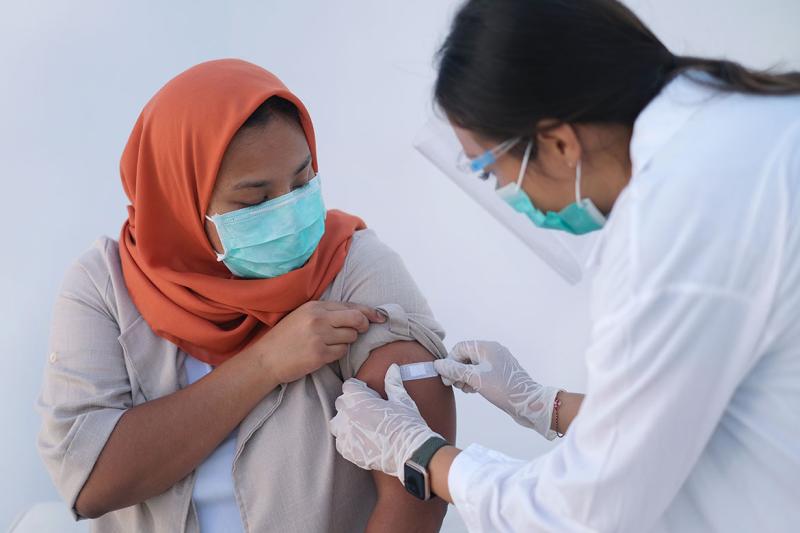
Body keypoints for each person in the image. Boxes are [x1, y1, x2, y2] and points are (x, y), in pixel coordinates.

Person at [329, 1, 800, 531]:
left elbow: (583, 512)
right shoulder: (751, 121)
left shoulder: (672, 224)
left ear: (557, 143)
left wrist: (423, 457)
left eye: (490, 172)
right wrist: (548, 405)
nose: (509, 195)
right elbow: (684, 409)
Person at [36, 59, 455, 533]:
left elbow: (415, 485)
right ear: (178, 200)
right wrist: (266, 364)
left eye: (301, 183)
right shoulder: (104, 287)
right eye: (253, 201)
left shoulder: (352, 263)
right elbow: (92, 481)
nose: (288, 212)